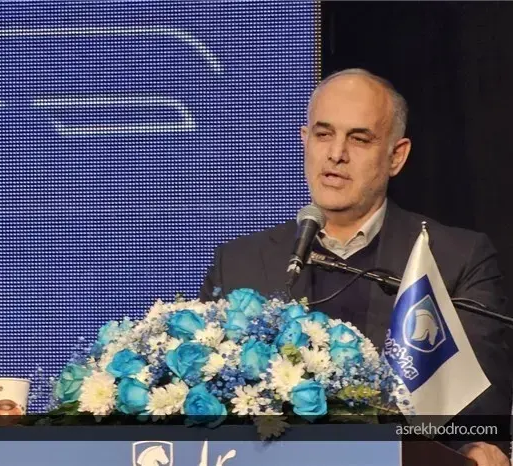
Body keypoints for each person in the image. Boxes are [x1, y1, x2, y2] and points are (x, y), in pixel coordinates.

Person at [199, 68, 512, 465]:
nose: (336, 154)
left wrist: (475, 448)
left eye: (359, 139)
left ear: (396, 156)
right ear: (304, 140)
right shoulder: (238, 263)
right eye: (323, 134)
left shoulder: (456, 259)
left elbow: (482, 413)